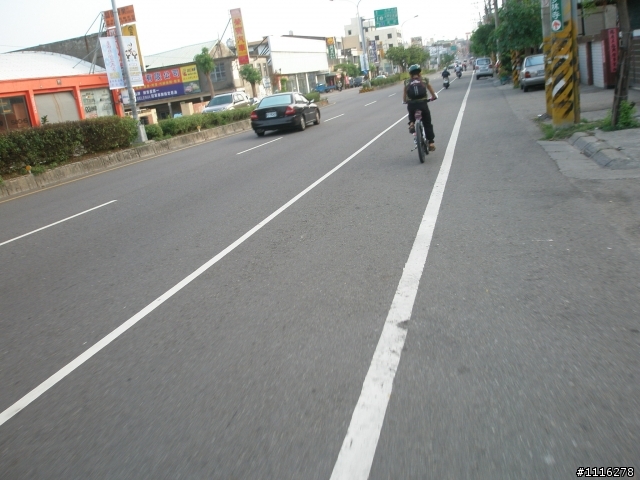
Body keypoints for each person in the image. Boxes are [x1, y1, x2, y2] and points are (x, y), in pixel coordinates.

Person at [403, 64, 437, 151]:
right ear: (419, 72)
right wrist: (433, 96)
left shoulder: (407, 82)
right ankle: (431, 143)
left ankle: (411, 123)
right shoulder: (424, 80)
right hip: (423, 104)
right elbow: (430, 88)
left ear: (410, 74)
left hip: (412, 105)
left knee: (411, 113)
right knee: (427, 123)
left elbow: (405, 94)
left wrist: (405, 101)